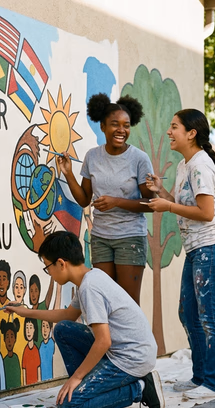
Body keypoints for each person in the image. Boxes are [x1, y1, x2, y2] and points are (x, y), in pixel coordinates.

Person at [4, 231, 164, 408]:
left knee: (70, 406)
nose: (49, 273)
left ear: (61, 263)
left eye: (48, 267)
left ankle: (140, 388)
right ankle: (87, 389)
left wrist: (77, 377)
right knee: (64, 330)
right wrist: (25, 311)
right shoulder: (90, 278)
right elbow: (67, 315)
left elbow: (103, 341)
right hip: (125, 350)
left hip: (131, 358)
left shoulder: (90, 288)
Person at [145, 109, 215, 400]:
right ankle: (201, 377)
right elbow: (187, 205)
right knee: (188, 313)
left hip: (212, 248)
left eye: (174, 127)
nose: (169, 132)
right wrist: (163, 193)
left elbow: (206, 213)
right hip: (197, 250)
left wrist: (167, 207)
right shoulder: (185, 165)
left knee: (209, 316)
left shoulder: (199, 166)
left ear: (191, 133)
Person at [58, 93, 153, 304]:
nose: (121, 130)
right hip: (101, 238)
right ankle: (107, 339)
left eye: (126, 125)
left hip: (130, 238)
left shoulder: (139, 158)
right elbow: (84, 200)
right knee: (104, 300)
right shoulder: (92, 156)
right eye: (114, 124)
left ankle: (130, 339)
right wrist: (68, 173)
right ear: (102, 126)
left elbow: (151, 203)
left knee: (127, 303)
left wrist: (117, 201)